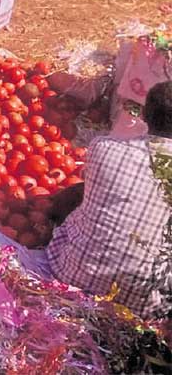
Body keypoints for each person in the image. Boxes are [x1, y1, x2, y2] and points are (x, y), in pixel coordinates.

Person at [46, 80, 172, 320]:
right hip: (143, 307)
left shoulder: (103, 147)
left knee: (80, 194)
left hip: (70, 274)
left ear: (143, 115)